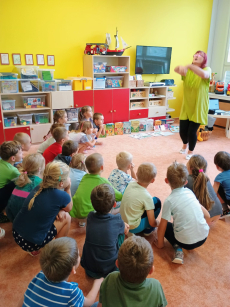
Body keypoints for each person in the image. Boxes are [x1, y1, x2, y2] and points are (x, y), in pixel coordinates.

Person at [17, 237, 103, 307]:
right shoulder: (71, 292)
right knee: (96, 305)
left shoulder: (39, 275)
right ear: (73, 269)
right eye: (78, 255)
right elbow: (89, 302)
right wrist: (97, 284)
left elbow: (23, 300)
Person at [154, 162, 210, 264]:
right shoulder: (189, 192)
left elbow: (162, 228)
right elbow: (206, 214)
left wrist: (160, 245)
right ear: (186, 182)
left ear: (166, 181)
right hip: (204, 237)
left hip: (186, 242)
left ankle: (178, 249)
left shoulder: (169, 201)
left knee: (164, 225)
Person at [13, 161, 72, 256]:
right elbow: (69, 208)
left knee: (56, 214)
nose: (69, 179)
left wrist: (59, 209)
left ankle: (35, 249)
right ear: (61, 183)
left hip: (16, 233)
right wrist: (68, 188)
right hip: (31, 243)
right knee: (66, 217)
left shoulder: (38, 187)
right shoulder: (62, 195)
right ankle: (59, 251)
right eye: (68, 178)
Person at [97, 236, 167, 307]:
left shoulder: (110, 279)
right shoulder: (156, 287)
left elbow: (101, 304)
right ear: (151, 270)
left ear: (117, 264)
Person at [81, 184, 129, 278]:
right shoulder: (117, 219)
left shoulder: (90, 217)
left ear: (91, 202)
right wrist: (124, 226)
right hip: (110, 270)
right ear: (114, 204)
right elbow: (125, 230)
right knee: (122, 233)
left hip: (89, 268)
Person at [174, 51, 211, 160]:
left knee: (191, 132)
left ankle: (190, 151)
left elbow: (204, 75)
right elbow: (176, 69)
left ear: (204, 59)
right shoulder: (188, 72)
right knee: (182, 131)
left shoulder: (206, 69)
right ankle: (184, 145)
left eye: (199, 55)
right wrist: (182, 67)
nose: (196, 56)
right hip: (187, 106)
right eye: (195, 54)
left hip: (198, 106)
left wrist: (189, 66)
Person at [70, 153, 122, 227]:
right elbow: (119, 196)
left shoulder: (84, 176)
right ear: (102, 167)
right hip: (90, 216)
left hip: (75, 213)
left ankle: (82, 222)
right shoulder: (103, 181)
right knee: (119, 203)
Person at [120, 163, 161, 236]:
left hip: (123, 222)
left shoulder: (130, 183)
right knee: (157, 201)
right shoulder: (147, 196)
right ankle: (148, 230)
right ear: (153, 180)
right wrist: (157, 223)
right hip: (134, 227)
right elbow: (152, 222)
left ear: (137, 174)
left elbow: (135, 180)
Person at [6, 153, 45, 222]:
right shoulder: (41, 183)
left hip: (14, 219)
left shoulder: (20, 179)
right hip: (29, 223)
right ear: (39, 169)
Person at [185, 154, 222, 224]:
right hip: (218, 213)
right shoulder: (205, 177)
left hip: (205, 218)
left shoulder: (187, 179)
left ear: (191, 168)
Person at [0, 141, 22, 223]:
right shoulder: (13, 171)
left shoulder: (2, 161)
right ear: (13, 158)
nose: (22, 153)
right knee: (15, 185)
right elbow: (21, 181)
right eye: (20, 152)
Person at [213, 151, 230, 217]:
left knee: (219, 188)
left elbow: (213, 192)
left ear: (217, 166)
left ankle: (225, 210)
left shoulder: (219, 177)